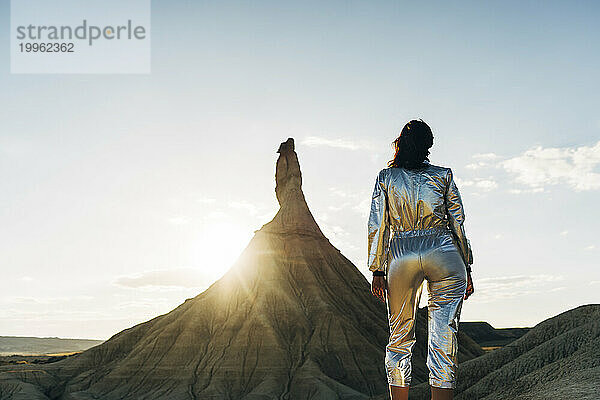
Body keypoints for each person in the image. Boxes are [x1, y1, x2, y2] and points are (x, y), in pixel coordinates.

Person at [367, 119, 475, 400]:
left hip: (401, 252)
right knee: (444, 337)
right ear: (429, 145)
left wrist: (378, 269)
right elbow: (458, 224)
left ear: (400, 142)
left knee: (399, 337)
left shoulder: (386, 178)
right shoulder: (444, 175)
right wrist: (468, 267)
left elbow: (378, 225)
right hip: (444, 251)